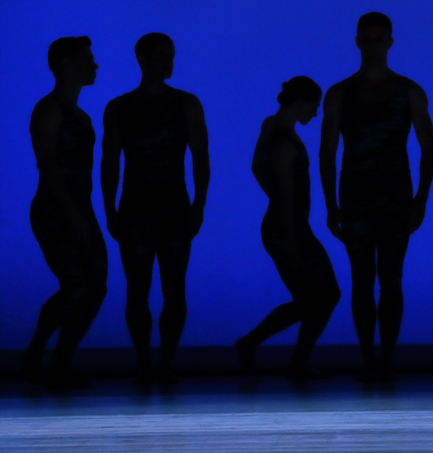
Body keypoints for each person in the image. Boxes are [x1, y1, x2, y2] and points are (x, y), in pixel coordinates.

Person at [319, 12, 433, 381]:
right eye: (367, 39)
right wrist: (331, 204)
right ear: (358, 42)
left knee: (388, 280)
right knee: (364, 280)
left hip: (392, 198)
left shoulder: (408, 91)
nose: (372, 45)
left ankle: (383, 357)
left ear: (389, 41)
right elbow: (326, 151)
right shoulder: (340, 93)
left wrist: (419, 200)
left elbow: (429, 147)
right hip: (358, 198)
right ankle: (372, 357)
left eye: (378, 38)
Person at [101, 33, 210, 384]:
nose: (169, 63)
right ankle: (148, 363)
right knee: (139, 289)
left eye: (171, 57)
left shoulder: (186, 103)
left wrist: (199, 204)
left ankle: (161, 363)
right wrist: (109, 209)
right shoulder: (119, 107)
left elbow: (201, 159)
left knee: (172, 288)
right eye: (163, 57)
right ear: (142, 58)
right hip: (139, 209)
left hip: (171, 208)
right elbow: (109, 162)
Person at [236, 77, 341, 379]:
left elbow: (258, 169)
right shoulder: (282, 139)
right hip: (289, 230)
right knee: (322, 295)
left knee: (314, 298)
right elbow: (285, 195)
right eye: (313, 107)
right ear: (300, 103)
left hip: (287, 228)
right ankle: (274, 351)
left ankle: (270, 350)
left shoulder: (272, 126)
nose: (315, 114)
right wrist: (293, 243)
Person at [24, 36, 108, 388]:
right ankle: (36, 355)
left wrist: (81, 212)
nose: (95, 64)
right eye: (87, 59)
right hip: (56, 210)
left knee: (94, 287)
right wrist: (71, 212)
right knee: (76, 283)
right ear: (65, 66)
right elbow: (48, 164)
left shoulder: (77, 113)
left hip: (78, 209)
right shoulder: (50, 109)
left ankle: (57, 365)